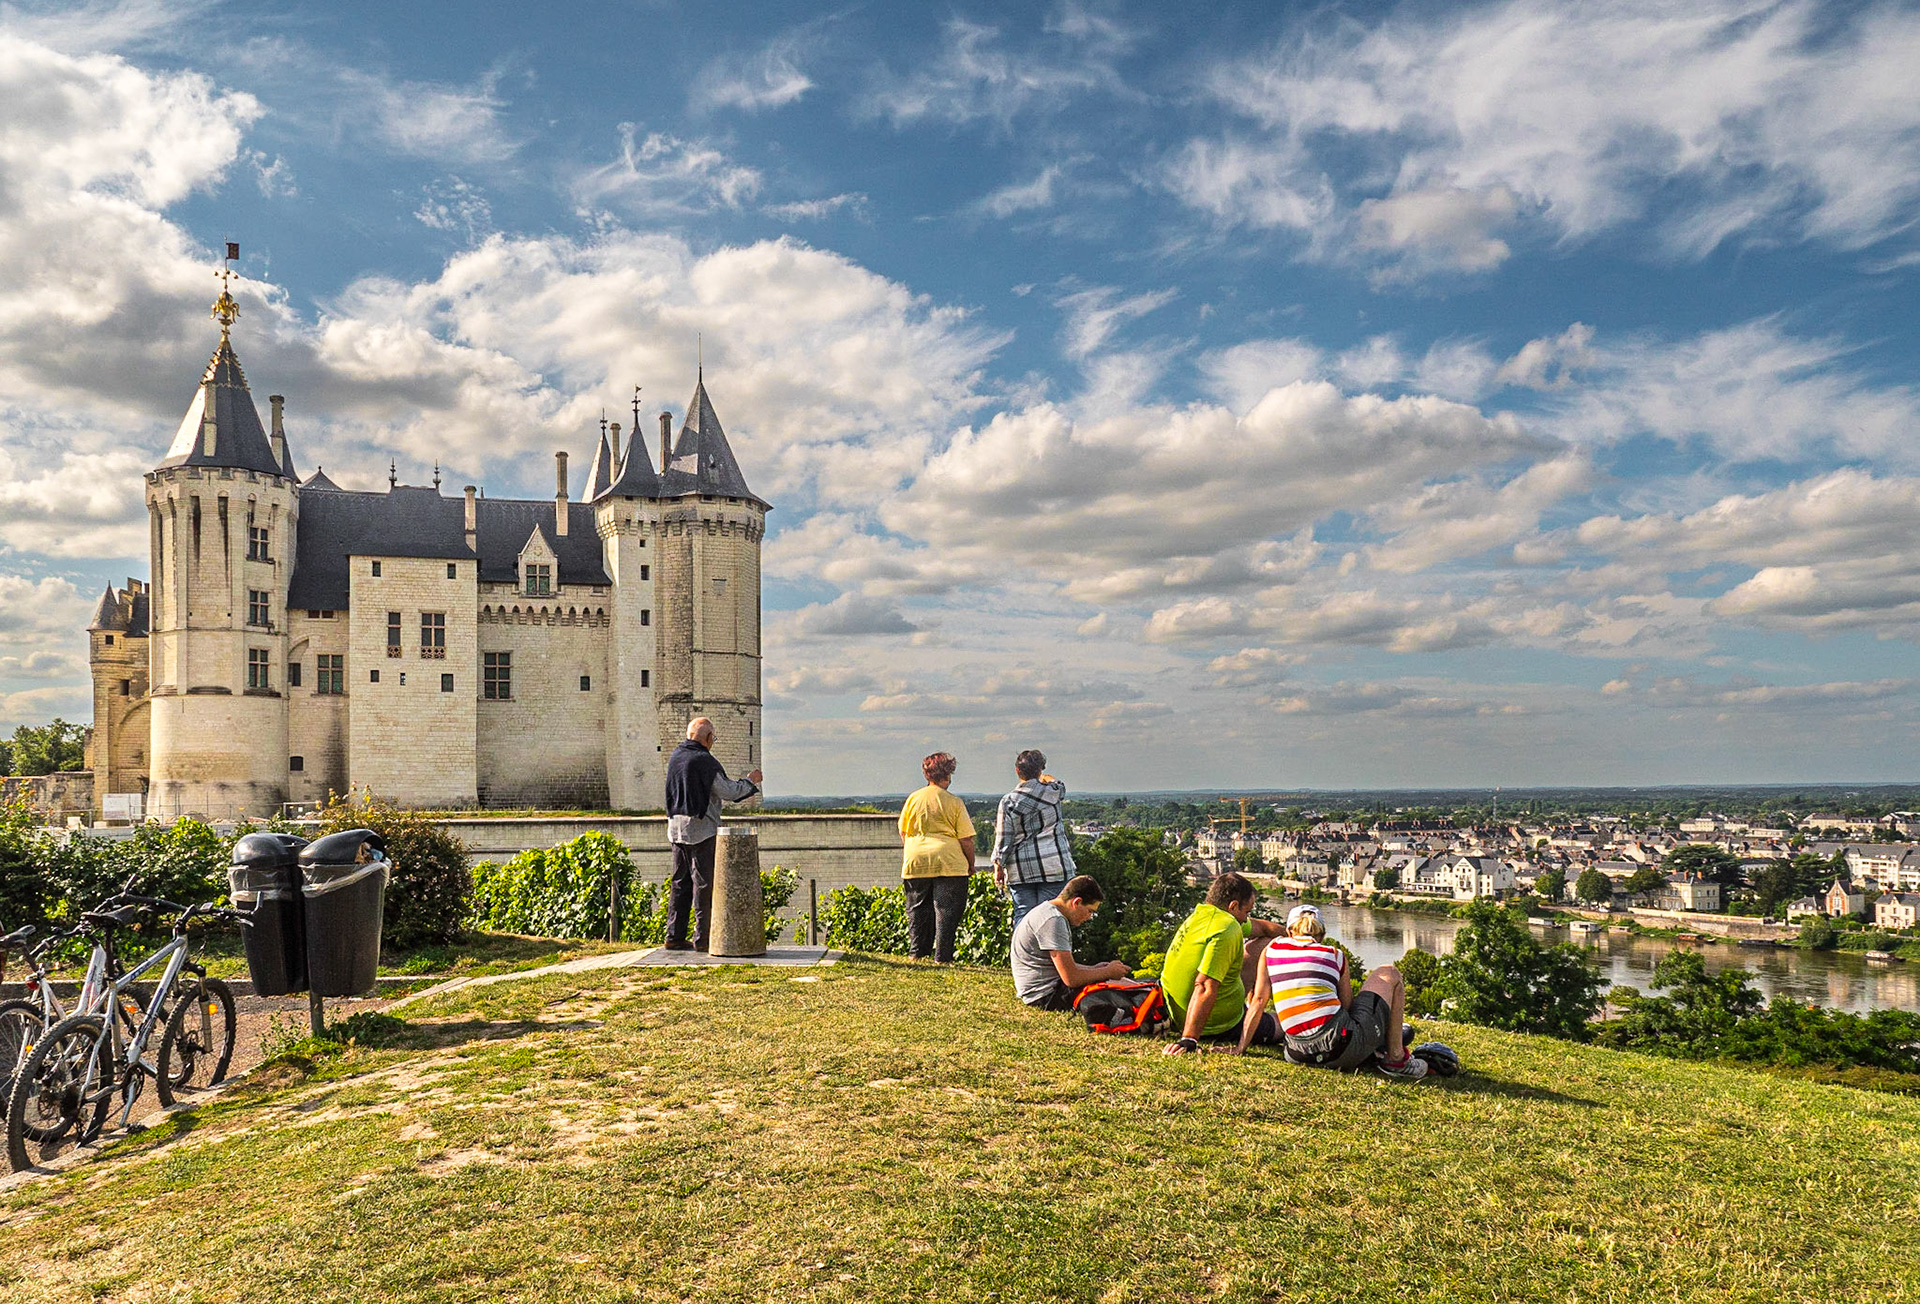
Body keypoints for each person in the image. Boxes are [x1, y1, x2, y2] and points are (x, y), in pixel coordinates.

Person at [1240, 903, 1427, 1079]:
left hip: (1296, 1054)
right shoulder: (1334, 954)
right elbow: (1347, 1007)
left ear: (1289, 931)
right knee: (1389, 973)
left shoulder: (1271, 949)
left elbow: (1258, 1001)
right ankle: (1396, 1059)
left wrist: (1241, 1047)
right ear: (1322, 935)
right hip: (1339, 1050)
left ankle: (1377, 1047)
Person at [663, 717, 763, 952]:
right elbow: (728, 791)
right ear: (708, 738)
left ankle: (674, 936)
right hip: (701, 829)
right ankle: (704, 938)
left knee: (680, 884)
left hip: (675, 828)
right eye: (713, 738)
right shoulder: (704, 761)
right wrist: (750, 781)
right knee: (705, 885)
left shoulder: (676, 756)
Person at [1160, 872, 1285, 1055]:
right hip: (1217, 1024)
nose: (1245, 919)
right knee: (1286, 1023)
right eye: (1246, 912)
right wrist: (1189, 1039)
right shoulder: (1228, 927)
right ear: (1233, 906)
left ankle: (1251, 1007)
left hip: (1177, 1013)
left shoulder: (1200, 915)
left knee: (1262, 943)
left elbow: (1263, 928)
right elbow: (1204, 985)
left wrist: (1292, 934)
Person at [898, 751, 975, 963]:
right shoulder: (954, 802)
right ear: (947, 775)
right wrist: (970, 864)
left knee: (917, 909)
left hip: (916, 859)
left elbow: (903, 831)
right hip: (949, 860)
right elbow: (966, 839)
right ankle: (942, 956)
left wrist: (915, 850)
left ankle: (917, 953)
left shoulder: (913, 798)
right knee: (947, 911)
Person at [1010, 875, 1131, 1010]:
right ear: (1076, 902)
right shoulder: (1054, 921)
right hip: (1045, 996)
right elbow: (1071, 978)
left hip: (1041, 990)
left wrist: (1096, 969)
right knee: (1114, 985)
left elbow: (1064, 967)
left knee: (1112, 980)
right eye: (1090, 911)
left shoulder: (1047, 911)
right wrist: (1107, 972)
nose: (1089, 917)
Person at [992, 749, 1075, 931]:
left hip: (1021, 870)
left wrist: (998, 867)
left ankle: (1022, 958)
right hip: (1054, 866)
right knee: (1051, 919)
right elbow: (1059, 783)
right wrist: (1043, 777)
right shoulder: (1053, 792)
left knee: (1023, 916)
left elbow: (1004, 840)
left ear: (1017, 771)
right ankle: (1048, 958)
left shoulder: (1008, 801)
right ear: (1040, 770)